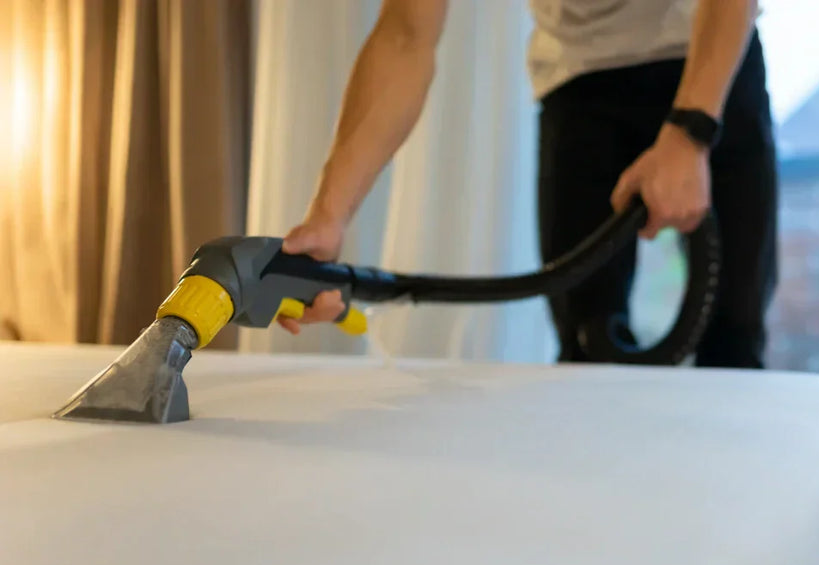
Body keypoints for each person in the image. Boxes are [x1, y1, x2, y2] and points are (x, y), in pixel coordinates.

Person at [278, 0, 777, 369]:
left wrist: (691, 132)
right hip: (581, 81)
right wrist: (328, 217)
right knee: (588, 345)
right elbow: (405, 36)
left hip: (710, 59)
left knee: (733, 337)